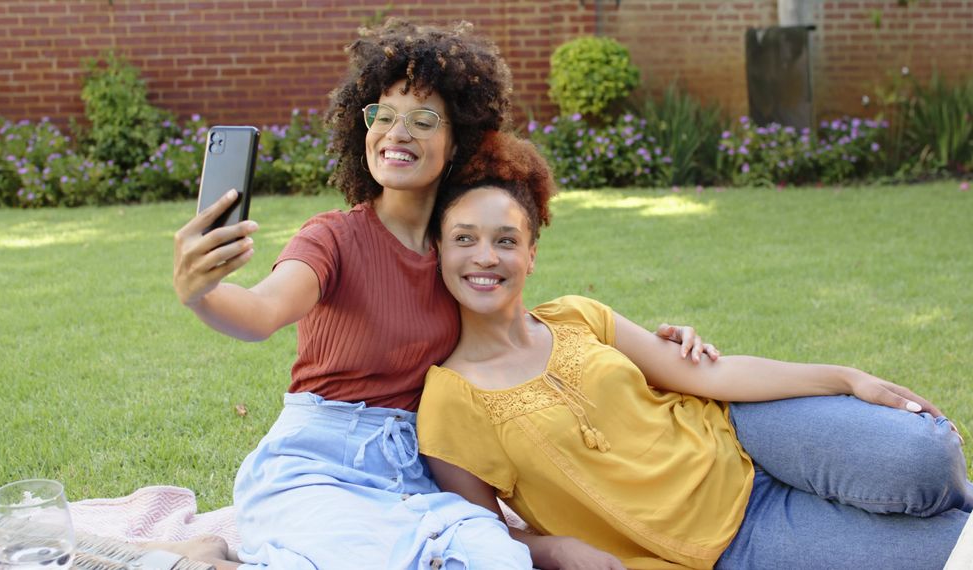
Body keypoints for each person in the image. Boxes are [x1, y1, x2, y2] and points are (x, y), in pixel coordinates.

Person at [170, 20, 712, 570]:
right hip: (320, 463)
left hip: (414, 473)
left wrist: (657, 347)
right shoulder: (332, 236)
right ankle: (202, 558)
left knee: (499, 562)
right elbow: (261, 312)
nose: (396, 131)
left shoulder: (461, 253)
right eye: (382, 114)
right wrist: (202, 295)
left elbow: (530, 338)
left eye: (423, 119)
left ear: (457, 143)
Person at [416, 131, 973, 570]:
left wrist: (846, 377)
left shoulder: (576, 315)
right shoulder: (448, 401)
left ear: (532, 254)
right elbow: (482, 531)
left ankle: (972, 498)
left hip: (745, 433)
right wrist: (553, 550)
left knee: (924, 457)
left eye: (506, 240)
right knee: (969, 553)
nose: (485, 257)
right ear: (439, 249)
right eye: (464, 238)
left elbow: (709, 378)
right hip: (724, 540)